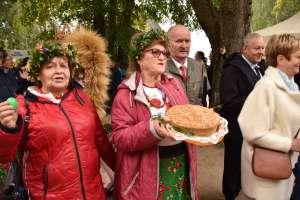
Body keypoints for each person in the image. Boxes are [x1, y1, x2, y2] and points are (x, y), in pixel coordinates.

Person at [0, 39, 115, 199]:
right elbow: (4, 156)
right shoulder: (24, 105)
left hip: (94, 193)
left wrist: (122, 169)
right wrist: (8, 129)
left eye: (63, 65)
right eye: (50, 66)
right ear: (38, 74)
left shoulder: (82, 99)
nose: (59, 71)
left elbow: (101, 142)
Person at [111, 29, 199, 200]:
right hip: (146, 170)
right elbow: (120, 137)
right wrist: (152, 129)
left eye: (164, 53)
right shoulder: (127, 93)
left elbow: (186, 116)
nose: (162, 57)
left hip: (179, 161)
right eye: (155, 52)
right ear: (139, 58)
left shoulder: (175, 84)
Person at [237, 33, 300, 200]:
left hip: (284, 165)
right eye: (298, 57)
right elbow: (253, 132)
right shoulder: (266, 87)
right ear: (281, 59)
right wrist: (291, 143)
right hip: (267, 170)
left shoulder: (292, 86)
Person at [220, 33, 265, 200]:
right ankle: (230, 195)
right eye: (256, 48)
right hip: (236, 130)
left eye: (262, 47)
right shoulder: (232, 70)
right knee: (234, 167)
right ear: (245, 49)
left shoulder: (261, 67)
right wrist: (258, 97)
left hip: (253, 129)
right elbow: (228, 102)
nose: (261, 51)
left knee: (247, 168)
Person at [167, 24, 207, 106]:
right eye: (179, 41)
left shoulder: (199, 66)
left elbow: (201, 98)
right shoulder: (161, 68)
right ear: (168, 43)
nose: (184, 46)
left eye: (187, 41)